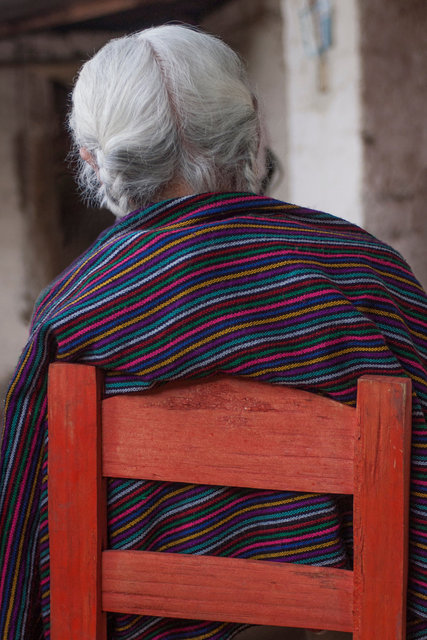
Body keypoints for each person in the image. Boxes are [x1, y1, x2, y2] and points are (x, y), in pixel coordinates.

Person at [1, 24, 427, 640]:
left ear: (95, 158)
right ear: (251, 129)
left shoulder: (72, 312)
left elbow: (25, 540)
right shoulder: (363, 272)